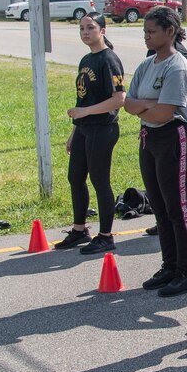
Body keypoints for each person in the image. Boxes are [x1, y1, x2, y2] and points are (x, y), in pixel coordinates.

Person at [126, 6, 187, 297]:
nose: (147, 36)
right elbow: (128, 103)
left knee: (176, 206)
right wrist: (148, 105)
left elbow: (166, 113)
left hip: (174, 136)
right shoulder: (147, 64)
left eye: (152, 31)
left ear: (170, 32)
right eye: (145, 31)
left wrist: (146, 106)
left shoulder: (177, 66)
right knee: (158, 203)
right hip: (150, 138)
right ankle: (170, 265)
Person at [53, 13, 126, 256]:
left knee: (99, 180)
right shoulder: (86, 59)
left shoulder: (109, 60)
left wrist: (86, 111)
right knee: (75, 177)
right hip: (84, 128)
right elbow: (83, 96)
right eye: (82, 28)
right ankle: (79, 230)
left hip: (103, 128)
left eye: (91, 27)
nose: (85, 32)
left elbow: (119, 99)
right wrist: (75, 130)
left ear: (102, 30)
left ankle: (106, 235)